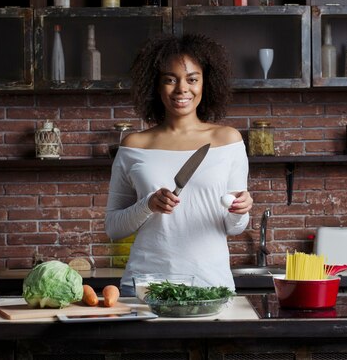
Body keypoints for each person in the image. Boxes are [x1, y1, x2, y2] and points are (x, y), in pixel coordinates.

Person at [105, 33, 253, 296]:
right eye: (170, 79)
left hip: (210, 285)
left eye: (192, 79)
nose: (182, 88)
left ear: (205, 83)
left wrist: (240, 210)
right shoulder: (134, 145)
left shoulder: (227, 140)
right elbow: (114, 228)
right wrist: (148, 204)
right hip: (145, 286)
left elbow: (234, 227)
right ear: (156, 86)